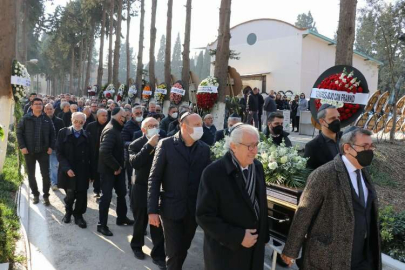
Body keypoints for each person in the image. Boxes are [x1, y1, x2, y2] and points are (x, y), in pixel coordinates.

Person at [282, 128, 381, 270]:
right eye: (365, 146)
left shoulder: (364, 172)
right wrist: (291, 250)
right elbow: (304, 213)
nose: (370, 150)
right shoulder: (324, 174)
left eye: (371, 146)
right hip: (330, 257)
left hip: (362, 257)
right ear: (347, 148)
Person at [196, 124, 269, 270]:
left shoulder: (257, 167)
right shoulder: (214, 173)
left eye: (256, 145)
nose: (254, 151)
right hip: (227, 254)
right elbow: (204, 216)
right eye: (249, 146)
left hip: (254, 251)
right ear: (233, 146)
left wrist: (264, 236)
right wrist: (238, 237)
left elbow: (261, 203)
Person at [148, 112, 211, 270]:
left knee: (183, 247)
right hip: (171, 208)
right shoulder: (166, 145)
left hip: (193, 210)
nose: (200, 128)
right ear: (183, 126)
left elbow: (208, 181)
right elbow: (154, 179)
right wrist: (152, 210)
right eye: (196, 125)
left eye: (201, 125)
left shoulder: (204, 149)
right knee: (174, 251)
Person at [129, 117, 166, 269]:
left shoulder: (165, 142)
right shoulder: (135, 144)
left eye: (156, 125)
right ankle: (137, 246)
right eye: (150, 126)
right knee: (140, 219)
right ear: (143, 129)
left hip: (158, 188)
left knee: (157, 223)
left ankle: (158, 255)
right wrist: (149, 145)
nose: (154, 128)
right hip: (141, 186)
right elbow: (135, 162)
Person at [98, 107, 134, 236]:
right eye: (125, 117)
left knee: (121, 193)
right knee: (106, 197)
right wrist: (116, 167)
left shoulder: (116, 129)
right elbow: (104, 152)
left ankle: (122, 217)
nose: (126, 119)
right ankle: (101, 225)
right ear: (120, 118)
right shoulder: (111, 130)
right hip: (109, 171)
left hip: (117, 170)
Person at [57, 112, 95, 229]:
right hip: (68, 169)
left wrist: (92, 174)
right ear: (71, 120)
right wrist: (66, 168)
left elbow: (92, 156)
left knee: (82, 194)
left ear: (84, 122)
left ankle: (78, 215)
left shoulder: (88, 135)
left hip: (83, 170)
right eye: (76, 121)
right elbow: (59, 152)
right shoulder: (63, 132)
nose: (78, 124)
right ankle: (68, 211)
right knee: (70, 194)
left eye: (81, 122)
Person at [16, 98, 56, 205]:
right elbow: (19, 132)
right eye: (36, 104)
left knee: (45, 175)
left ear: (42, 106)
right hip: (29, 152)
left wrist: (51, 147)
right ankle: (35, 195)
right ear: (32, 106)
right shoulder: (25, 118)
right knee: (31, 174)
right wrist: (22, 146)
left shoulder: (47, 119)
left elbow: (53, 134)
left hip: (43, 152)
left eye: (40, 104)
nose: (38, 106)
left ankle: (46, 196)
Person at [305, 104, 342, 170]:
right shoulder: (312, 146)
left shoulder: (347, 138)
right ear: (322, 121)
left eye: (338, 117)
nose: (337, 121)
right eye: (332, 118)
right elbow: (310, 174)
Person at [85, 109, 108, 199]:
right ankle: (97, 190)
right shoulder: (91, 126)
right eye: (103, 115)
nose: (105, 117)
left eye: (106, 115)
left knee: (105, 173)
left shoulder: (110, 126)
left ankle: (104, 191)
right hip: (94, 153)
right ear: (97, 116)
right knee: (96, 172)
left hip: (106, 154)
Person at [122, 105, 143, 191]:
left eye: (141, 113)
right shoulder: (127, 126)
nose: (139, 115)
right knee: (133, 180)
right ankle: (132, 197)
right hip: (132, 157)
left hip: (143, 156)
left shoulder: (144, 123)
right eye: (137, 113)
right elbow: (123, 142)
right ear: (132, 115)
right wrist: (136, 144)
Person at [44, 103, 65, 191]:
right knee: (45, 166)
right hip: (43, 147)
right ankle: (47, 182)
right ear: (44, 110)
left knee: (54, 165)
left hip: (55, 147)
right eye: (47, 109)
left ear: (54, 110)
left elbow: (63, 135)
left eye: (50, 109)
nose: (49, 110)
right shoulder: (41, 120)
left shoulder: (59, 121)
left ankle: (54, 183)